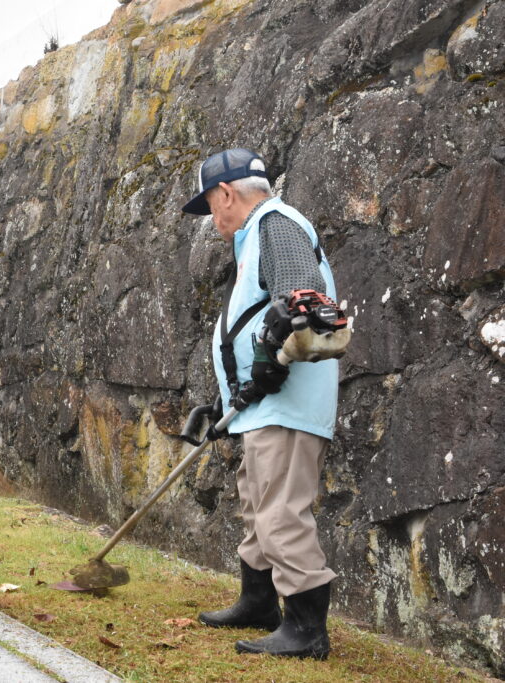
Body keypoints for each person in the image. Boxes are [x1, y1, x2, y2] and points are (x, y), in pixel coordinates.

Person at [181, 148, 339, 660]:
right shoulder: (254, 239)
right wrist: (226, 394)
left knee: (280, 514)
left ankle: (306, 630)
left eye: (211, 206)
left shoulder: (276, 223)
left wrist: (273, 351)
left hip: (286, 405)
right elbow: (258, 318)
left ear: (226, 193)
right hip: (259, 406)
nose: (213, 220)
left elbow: (304, 297)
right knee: (257, 508)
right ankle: (259, 602)